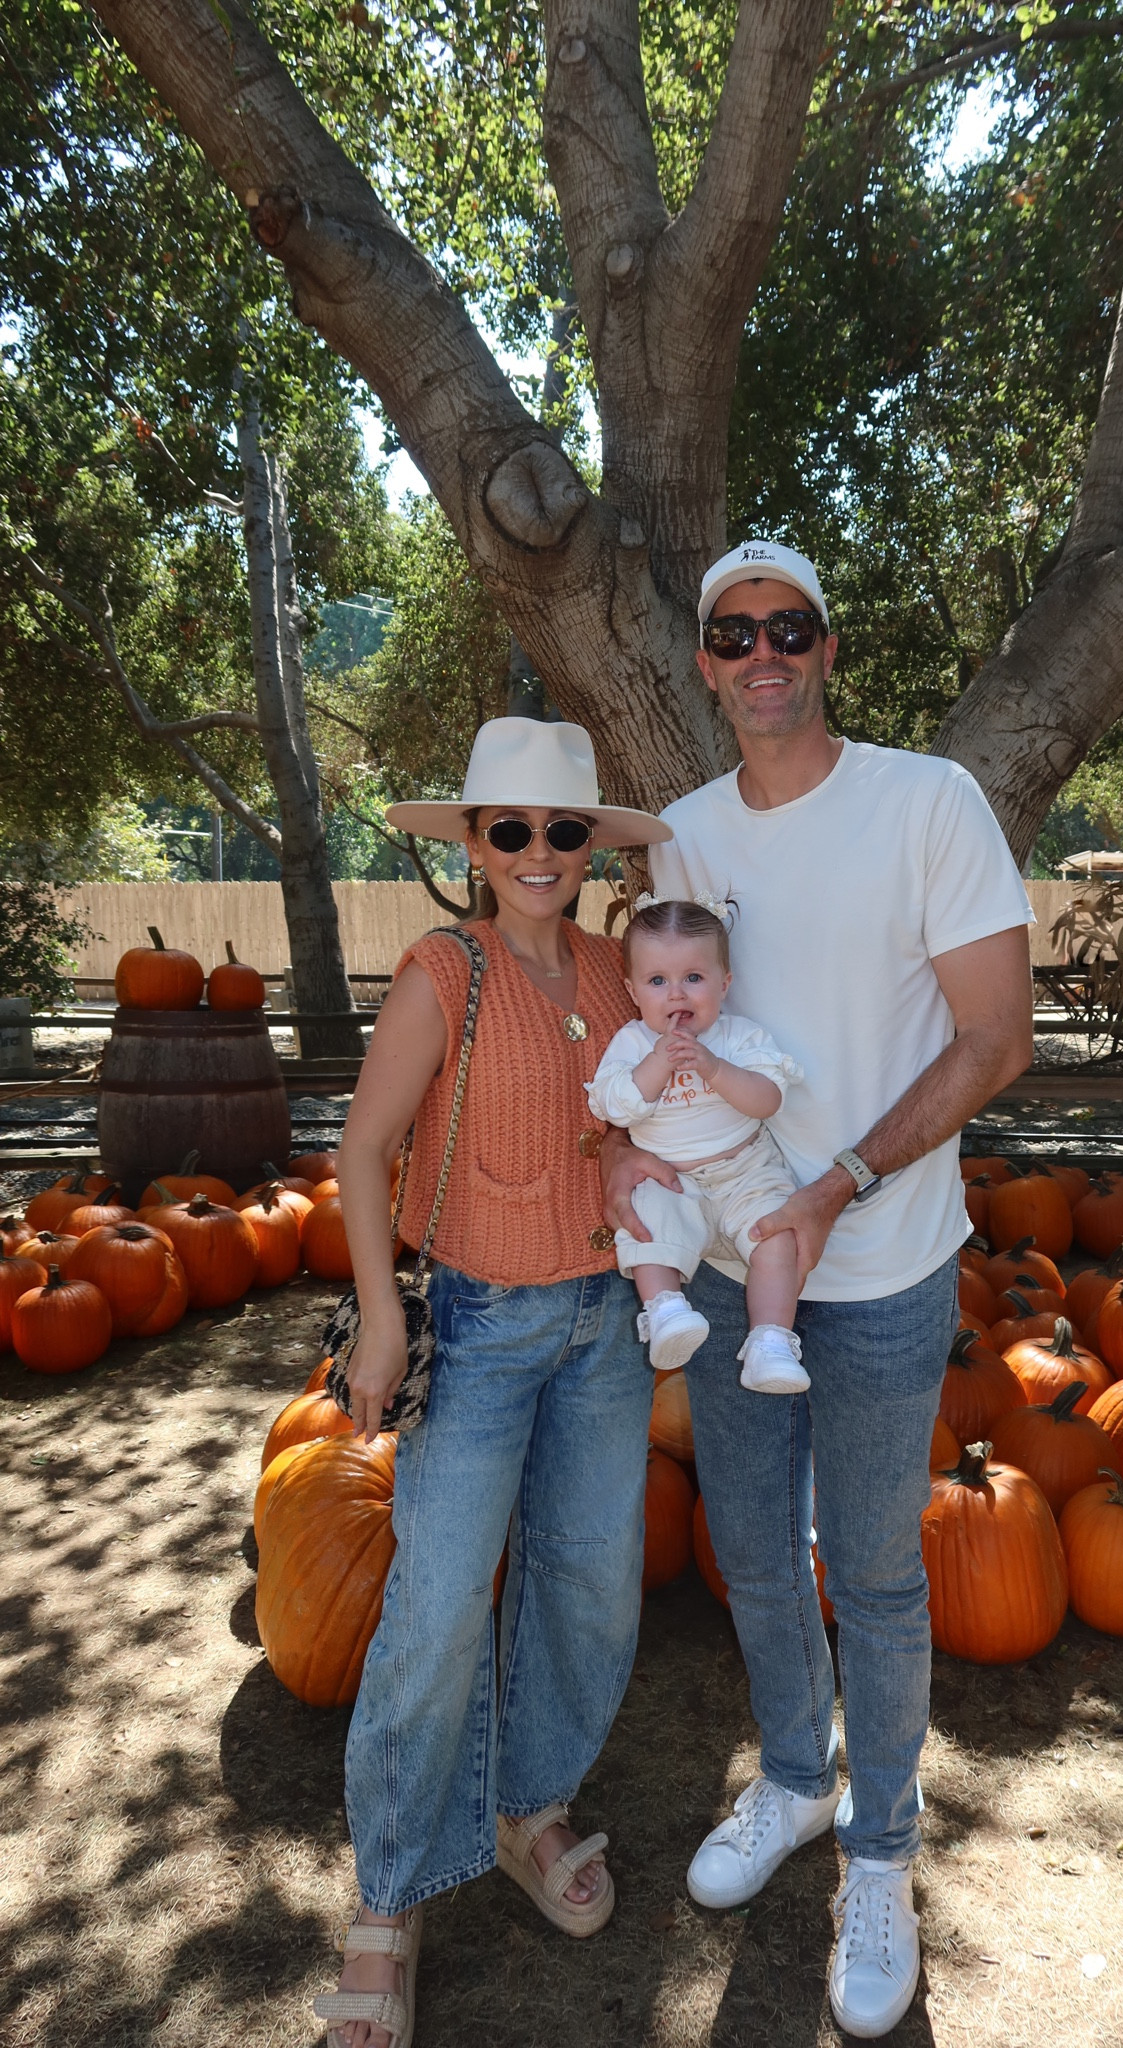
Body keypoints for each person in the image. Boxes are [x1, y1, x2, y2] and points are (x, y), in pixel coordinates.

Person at [600, 539, 1035, 2039]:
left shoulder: (928, 803)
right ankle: (794, 1778)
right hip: (725, 1273)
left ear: (827, 648)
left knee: (881, 1566)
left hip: (888, 1259)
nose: (763, 653)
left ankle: (880, 1852)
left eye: (789, 628)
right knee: (753, 1553)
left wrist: (841, 1175)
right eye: (735, 634)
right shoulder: (686, 840)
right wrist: (627, 1173)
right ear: (707, 664)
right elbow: (660, 1041)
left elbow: (993, 1039)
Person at [315, 717, 672, 2048]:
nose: (536, 852)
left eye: (562, 830)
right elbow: (363, 1152)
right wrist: (378, 1319)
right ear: (469, 844)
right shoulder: (441, 971)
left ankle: (528, 1809)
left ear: (590, 846)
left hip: (609, 1327)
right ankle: (392, 1892)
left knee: (587, 1581)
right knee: (435, 1602)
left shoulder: (614, 964)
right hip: (481, 1326)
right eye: (508, 829)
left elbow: (654, 1113)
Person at [585, 894, 807, 1392]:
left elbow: (766, 1099)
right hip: (672, 1176)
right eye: (658, 981)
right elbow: (615, 1107)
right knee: (646, 1222)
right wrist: (657, 1063)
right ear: (633, 990)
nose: (677, 994)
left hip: (745, 1169)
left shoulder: (738, 1038)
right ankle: (665, 1311)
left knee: (777, 1238)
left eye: (694, 978)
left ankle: (770, 1341)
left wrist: (712, 1066)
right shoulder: (633, 1043)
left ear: (724, 984)